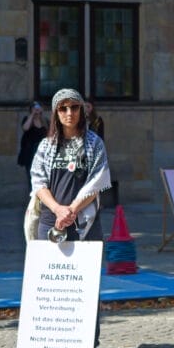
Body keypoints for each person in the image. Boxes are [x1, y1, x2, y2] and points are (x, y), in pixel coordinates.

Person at [31, 88, 111, 245]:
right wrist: (58, 210)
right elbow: (38, 182)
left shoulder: (95, 143)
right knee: (50, 270)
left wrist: (71, 210)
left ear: (81, 110)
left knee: (85, 270)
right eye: (63, 108)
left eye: (74, 107)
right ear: (56, 112)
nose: (69, 113)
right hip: (51, 222)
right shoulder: (46, 145)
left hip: (85, 222)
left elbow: (97, 181)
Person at [18, 102, 48, 188]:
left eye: (38, 107)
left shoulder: (45, 121)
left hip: (42, 152)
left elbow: (49, 134)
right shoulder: (27, 119)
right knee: (31, 175)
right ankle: (33, 196)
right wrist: (32, 115)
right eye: (35, 107)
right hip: (30, 152)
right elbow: (25, 128)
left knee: (43, 176)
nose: (37, 109)